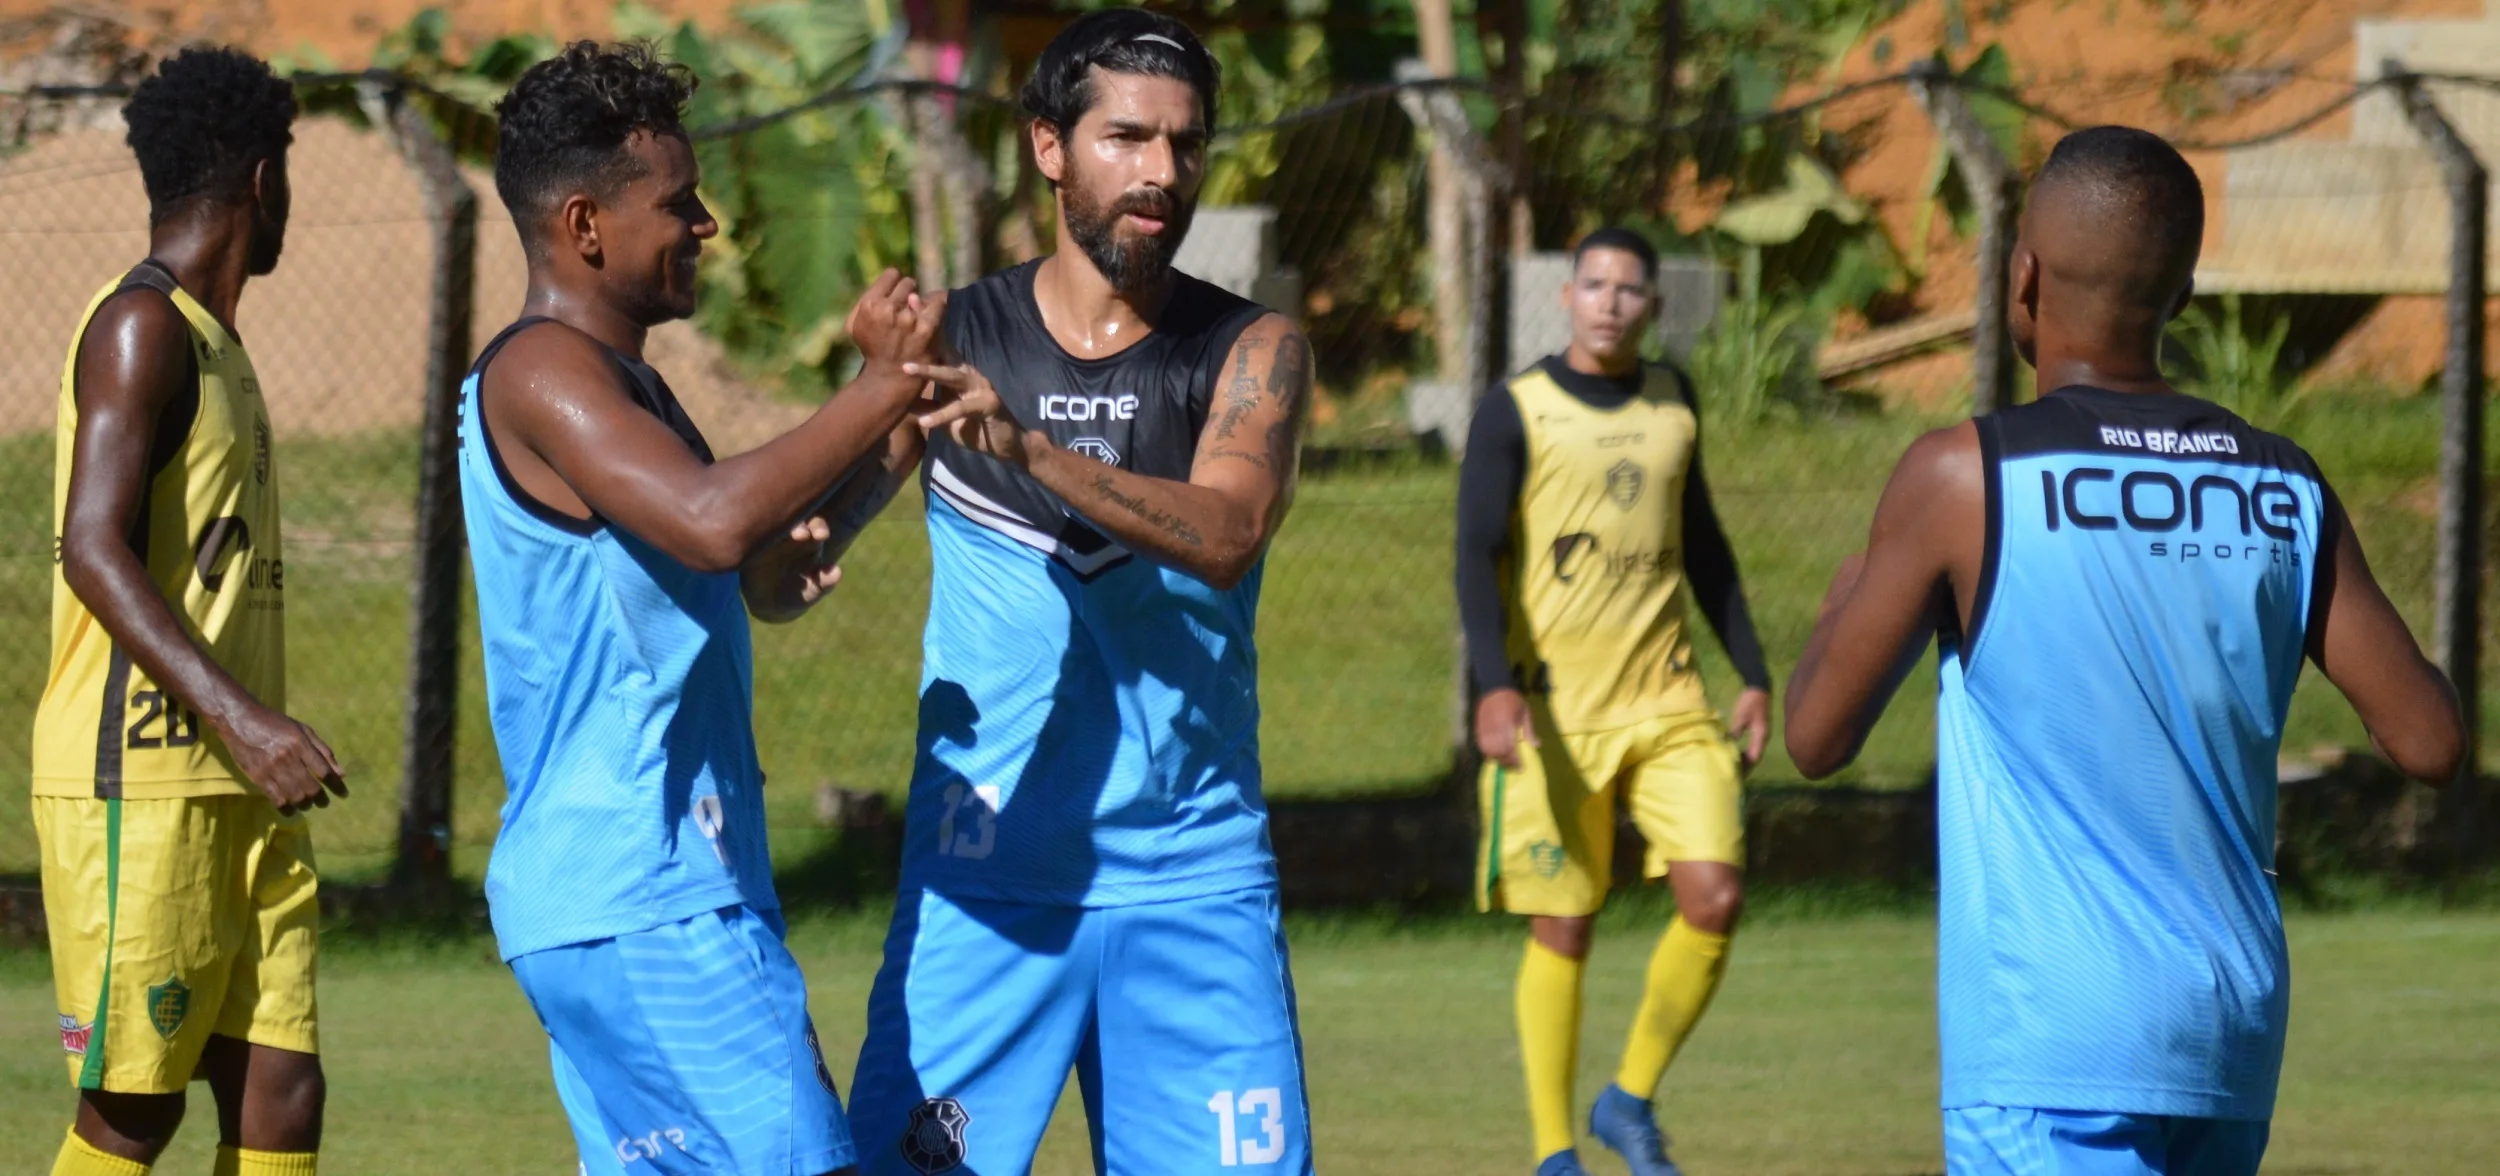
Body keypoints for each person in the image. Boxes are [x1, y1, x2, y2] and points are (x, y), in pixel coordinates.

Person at [1784, 126, 2465, 1176]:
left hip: (2052, 1043)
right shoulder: (2285, 486)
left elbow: (1816, 737)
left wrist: (1845, 598)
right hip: (2229, 1033)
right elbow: (2428, 738)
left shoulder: (1965, 478)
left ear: (2021, 277)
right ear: (2183, 292)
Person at [844, 10, 1317, 1174]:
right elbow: (781, 574)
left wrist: (1036, 454)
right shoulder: (952, 336)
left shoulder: (1253, 349)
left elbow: (1227, 533)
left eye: (1185, 145)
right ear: (1049, 146)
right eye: (1127, 138)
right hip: (984, 886)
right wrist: (865, 395)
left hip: (1191, 881)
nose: (1160, 173)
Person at [462, 42, 938, 1176]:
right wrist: (870, 387)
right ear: (584, 225)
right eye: (677, 204)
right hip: (641, 893)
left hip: (652, 893)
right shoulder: (542, 371)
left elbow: (755, 570)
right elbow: (714, 519)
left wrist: (897, 437)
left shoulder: (632, 386)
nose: (705, 226)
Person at [34, 47, 342, 1176]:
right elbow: (89, 548)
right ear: (264, 180)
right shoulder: (139, 326)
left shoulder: (224, 346)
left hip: (235, 782)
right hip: (141, 780)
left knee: (281, 1091)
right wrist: (245, 718)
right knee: (133, 1112)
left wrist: (247, 738)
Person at [1456, 227, 1773, 1176]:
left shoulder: (1676, 399)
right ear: (1567, 296)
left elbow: (1703, 542)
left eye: (1629, 289)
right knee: (1567, 924)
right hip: (1556, 715)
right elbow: (1477, 553)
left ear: (1654, 306)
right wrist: (1494, 686)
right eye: (1592, 283)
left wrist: (1752, 670)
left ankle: (1627, 1097)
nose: (1609, 302)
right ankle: (1556, 1151)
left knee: (1714, 897)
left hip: (1672, 704)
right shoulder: (1517, 409)